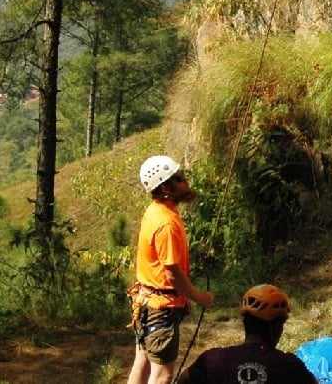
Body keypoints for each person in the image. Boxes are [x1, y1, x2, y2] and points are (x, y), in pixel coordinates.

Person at [127, 155, 214, 384]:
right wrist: (198, 297)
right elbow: (172, 274)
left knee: (143, 363)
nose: (186, 182)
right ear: (165, 187)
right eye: (180, 178)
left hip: (147, 304)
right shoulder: (167, 223)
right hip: (161, 308)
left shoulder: (155, 210)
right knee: (162, 376)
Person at [176, 284, 319, 384]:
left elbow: (182, 381)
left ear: (245, 322)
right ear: (276, 327)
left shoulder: (212, 360)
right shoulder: (290, 366)